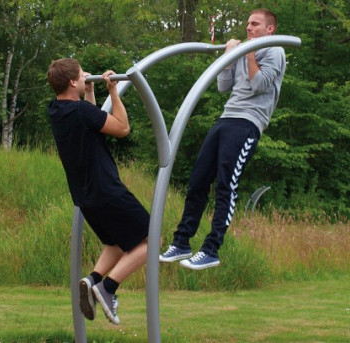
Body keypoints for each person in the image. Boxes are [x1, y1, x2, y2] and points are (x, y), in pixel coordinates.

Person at [160, 9, 286, 270]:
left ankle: (211, 249)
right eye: (248, 23)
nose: (248, 28)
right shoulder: (243, 51)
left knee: (226, 184)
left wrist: (249, 52)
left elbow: (259, 85)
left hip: (249, 122)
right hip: (226, 118)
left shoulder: (274, 51)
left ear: (270, 29)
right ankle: (182, 241)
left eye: (255, 24)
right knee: (197, 181)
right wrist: (229, 59)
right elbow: (223, 86)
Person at [47, 58, 149, 324]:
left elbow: (91, 125)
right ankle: (108, 288)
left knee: (115, 244)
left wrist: (90, 91)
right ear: (72, 81)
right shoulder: (81, 112)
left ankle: (91, 280)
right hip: (107, 190)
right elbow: (122, 128)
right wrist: (113, 91)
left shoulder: (57, 111)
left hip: (85, 196)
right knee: (151, 240)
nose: (85, 77)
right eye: (81, 75)